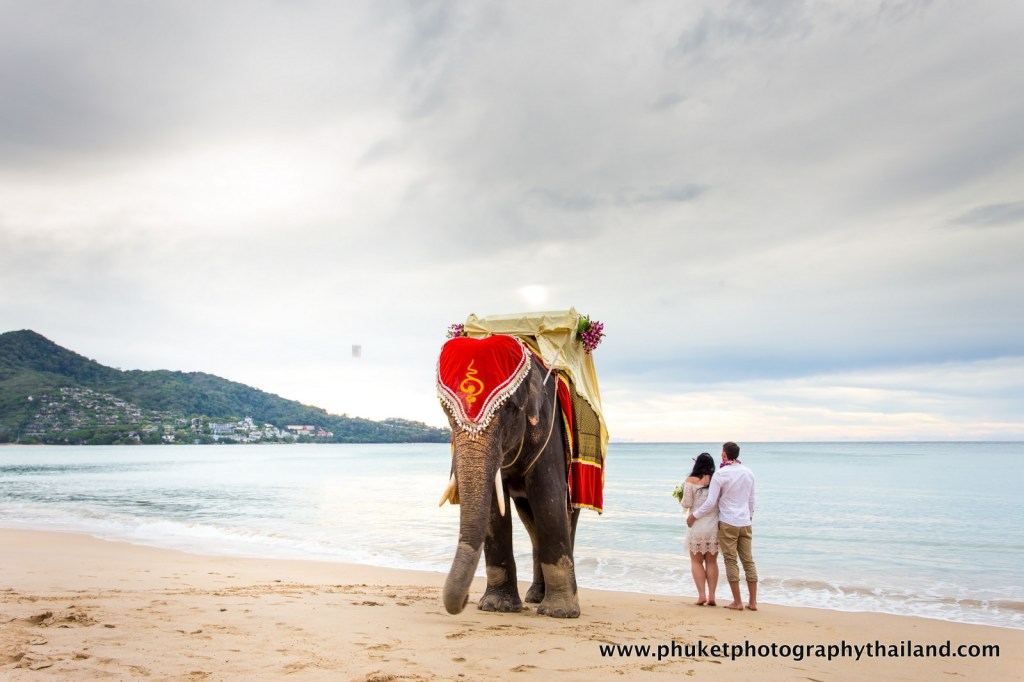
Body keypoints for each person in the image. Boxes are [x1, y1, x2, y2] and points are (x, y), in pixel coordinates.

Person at [687, 441, 757, 611]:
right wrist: (748, 517)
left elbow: (711, 501)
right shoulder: (748, 472)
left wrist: (694, 515)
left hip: (728, 522)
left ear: (725, 454)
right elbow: (751, 500)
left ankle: (738, 602)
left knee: (731, 560)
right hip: (745, 522)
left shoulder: (721, 474)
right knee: (748, 561)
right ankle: (753, 602)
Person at [679, 452, 719, 606]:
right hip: (714, 525)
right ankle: (712, 596)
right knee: (711, 562)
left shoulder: (690, 480)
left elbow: (687, 503)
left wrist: (681, 497)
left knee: (696, 562)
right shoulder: (716, 480)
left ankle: (701, 595)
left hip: (696, 524)